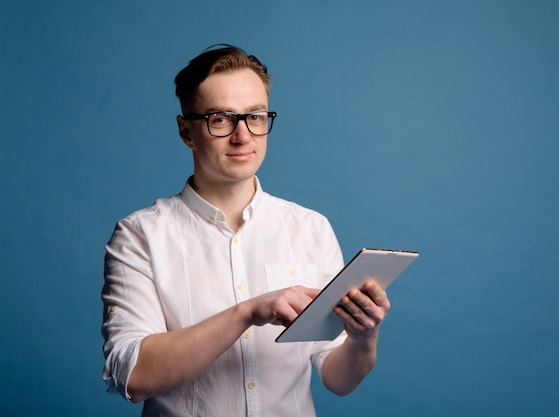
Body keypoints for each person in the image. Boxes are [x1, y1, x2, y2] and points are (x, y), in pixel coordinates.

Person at [101, 44, 391, 417]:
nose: (243, 136)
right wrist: (246, 313)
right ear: (186, 131)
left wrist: (363, 338)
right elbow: (134, 375)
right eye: (220, 119)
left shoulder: (311, 229)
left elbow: (337, 379)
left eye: (255, 116)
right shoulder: (139, 235)